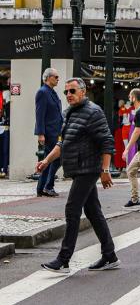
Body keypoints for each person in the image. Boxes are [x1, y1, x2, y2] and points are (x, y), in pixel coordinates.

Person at [37, 78, 118, 273]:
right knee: (93, 212)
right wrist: (46, 161)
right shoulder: (69, 114)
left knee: (72, 209)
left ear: (83, 92)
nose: (69, 95)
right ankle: (110, 255)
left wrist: (105, 170)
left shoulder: (93, 112)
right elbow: (62, 143)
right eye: (66, 92)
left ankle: (63, 259)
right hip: (78, 168)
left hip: (88, 169)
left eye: (72, 91)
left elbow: (107, 141)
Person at [34, 67, 63, 197]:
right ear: (48, 78)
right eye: (56, 77)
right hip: (49, 132)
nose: (58, 79)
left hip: (56, 131)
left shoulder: (52, 92)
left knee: (50, 159)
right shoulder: (43, 92)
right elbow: (39, 114)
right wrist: (40, 133)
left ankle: (42, 187)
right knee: (54, 158)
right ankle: (47, 186)